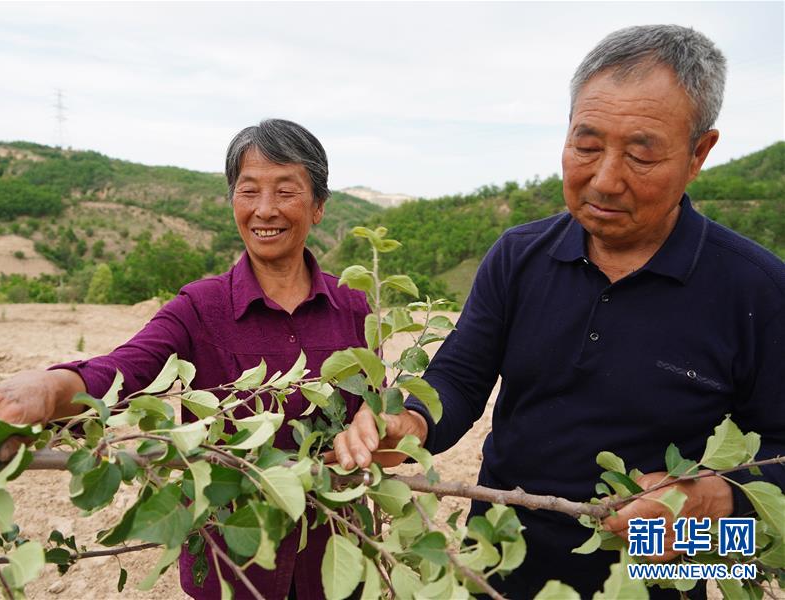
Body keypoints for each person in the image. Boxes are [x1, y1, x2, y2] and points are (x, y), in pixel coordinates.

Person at [334, 25, 785, 598]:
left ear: (699, 153)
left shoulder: (759, 292)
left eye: (641, 154)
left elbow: (779, 454)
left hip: (650, 574)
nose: (604, 180)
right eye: (586, 146)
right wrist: (412, 422)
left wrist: (719, 504)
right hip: (499, 558)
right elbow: (461, 377)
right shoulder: (519, 256)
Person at [0, 119, 371, 599]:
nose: (264, 209)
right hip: (235, 568)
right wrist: (46, 390)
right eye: (248, 191)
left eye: (286, 192)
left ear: (317, 207)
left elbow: (373, 409)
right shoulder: (199, 308)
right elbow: (120, 372)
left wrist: (378, 418)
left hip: (336, 560)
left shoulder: (355, 306)